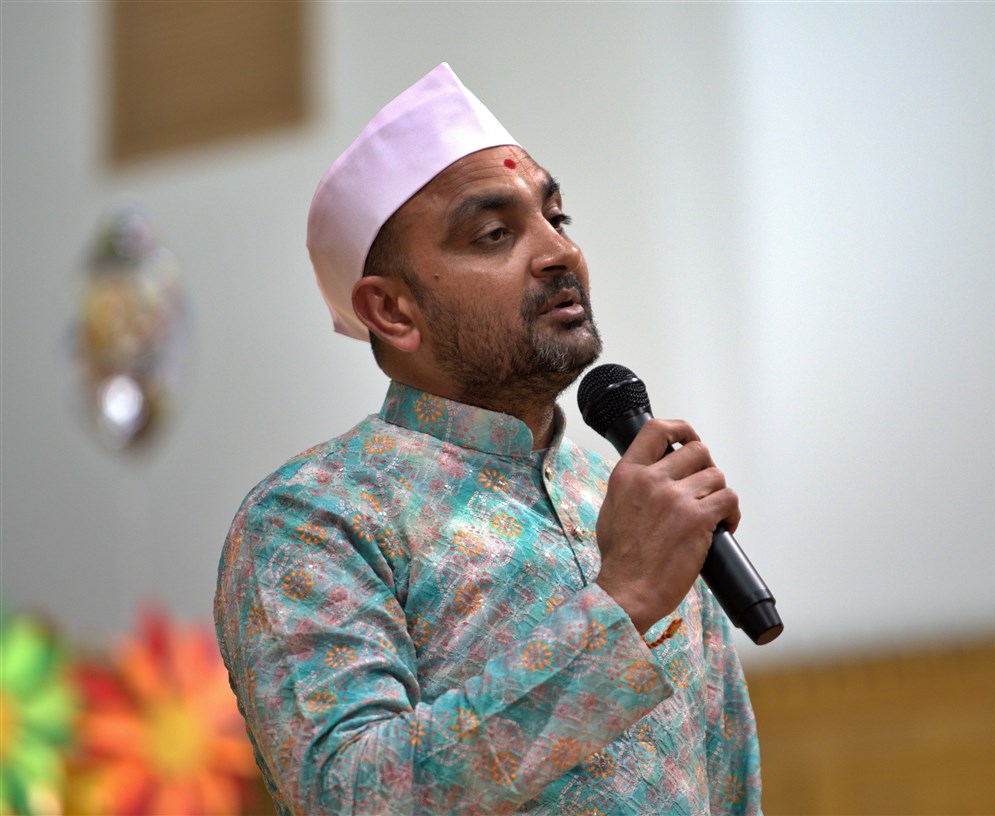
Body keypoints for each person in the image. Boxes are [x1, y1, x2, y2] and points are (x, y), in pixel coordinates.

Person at [215, 63, 761, 815]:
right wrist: (623, 600)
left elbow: (724, 778)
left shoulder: (626, 499)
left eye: (557, 218)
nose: (559, 252)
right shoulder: (314, 517)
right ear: (392, 311)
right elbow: (350, 794)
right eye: (495, 234)